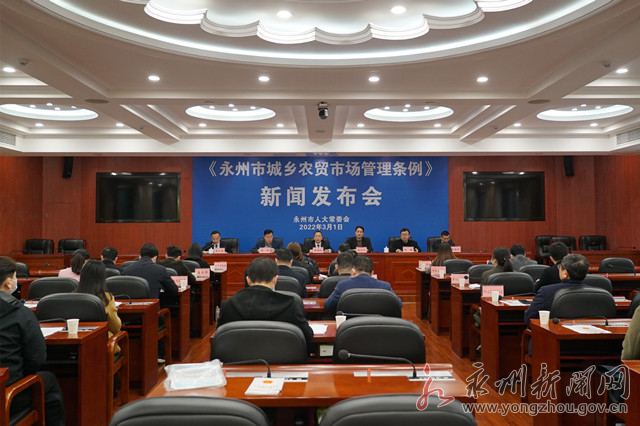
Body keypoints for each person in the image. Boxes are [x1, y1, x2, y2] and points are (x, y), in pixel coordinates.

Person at [0, 256, 66, 426]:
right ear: (8, 283)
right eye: (15, 277)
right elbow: (36, 358)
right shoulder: (20, 313)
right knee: (48, 380)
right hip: (8, 397)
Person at [217, 257, 314, 348]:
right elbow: (308, 335)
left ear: (248, 280)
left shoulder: (228, 305)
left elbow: (219, 338)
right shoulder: (291, 305)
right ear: (275, 280)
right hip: (282, 358)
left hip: (238, 358)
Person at [524, 253, 589, 324]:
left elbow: (529, 317)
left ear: (565, 273)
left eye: (560, 267)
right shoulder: (594, 292)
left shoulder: (546, 291)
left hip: (553, 329)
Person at [323, 255, 401, 311]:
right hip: (377, 325)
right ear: (372, 273)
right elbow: (399, 304)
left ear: (353, 271)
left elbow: (327, 305)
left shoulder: (342, 285)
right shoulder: (385, 286)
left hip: (350, 326)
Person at [74, 259, 122, 351]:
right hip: (101, 345)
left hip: (77, 346)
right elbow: (115, 327)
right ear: (102, 277)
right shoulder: (106, 298)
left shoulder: (72, 296)